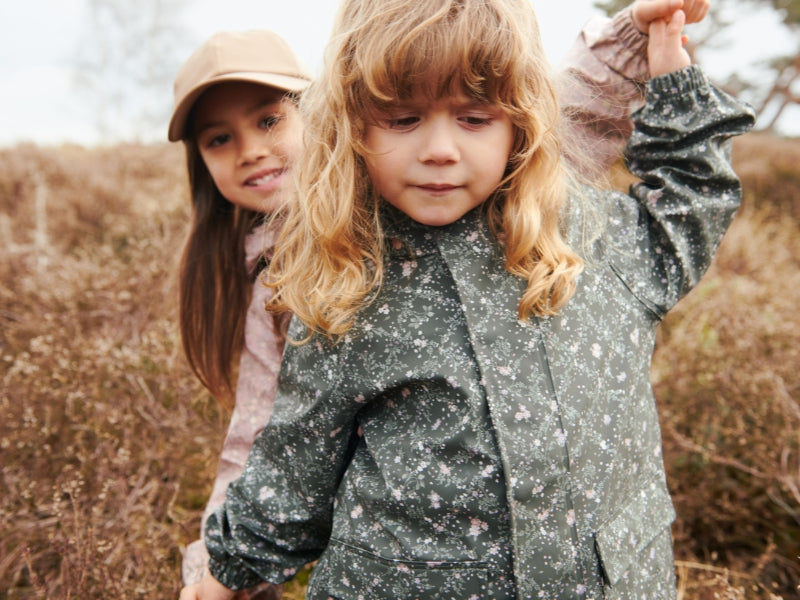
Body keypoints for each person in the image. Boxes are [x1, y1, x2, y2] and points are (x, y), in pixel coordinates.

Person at [176, 0, 730, 596]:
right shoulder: (343, 279)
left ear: (523, 121)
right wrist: (224, 568)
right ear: (350, 124)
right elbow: (288, 466)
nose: (440, 148)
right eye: (402, 119)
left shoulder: (591, 236)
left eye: (473, 118)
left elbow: (684, 201)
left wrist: (669, 76)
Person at [167, 29, 311, 600]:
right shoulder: (268, 283)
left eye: (269, 120)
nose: (250, 149)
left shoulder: (407, 199)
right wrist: (210, 569)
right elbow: (254, 436)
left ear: (314, 115)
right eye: (220, 138)